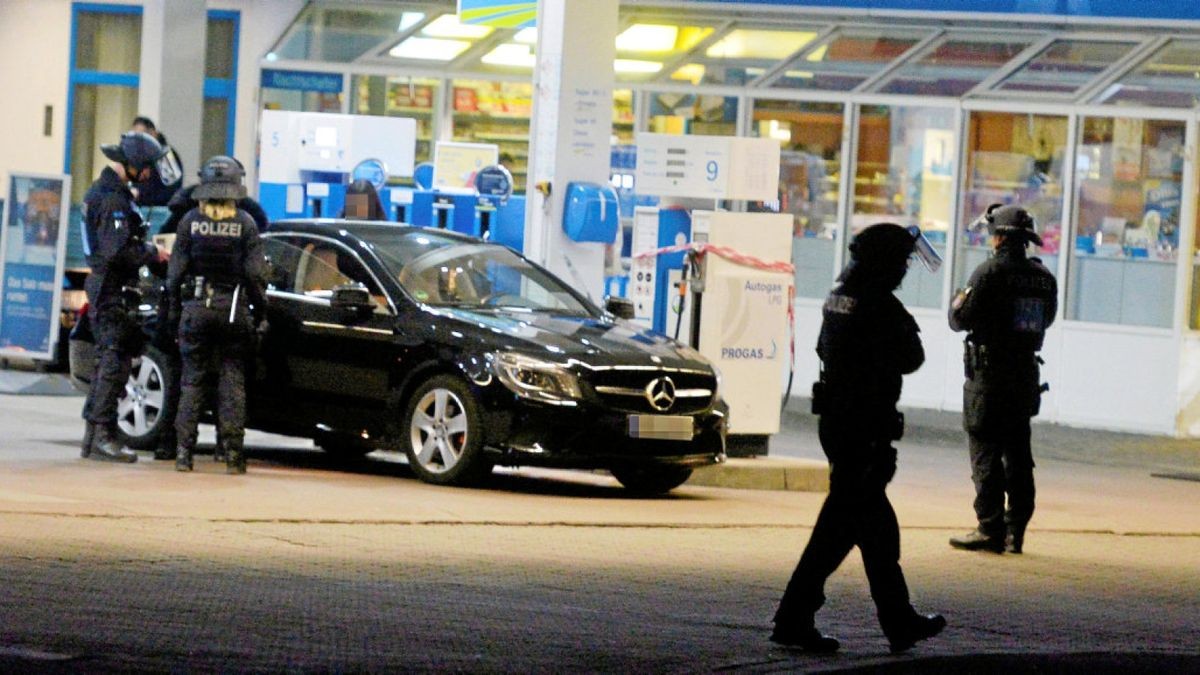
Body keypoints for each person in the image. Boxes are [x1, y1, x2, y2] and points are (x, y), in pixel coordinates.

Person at [772, 223, 946, 654]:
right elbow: (912, 357)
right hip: (862, 427)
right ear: (884, 263)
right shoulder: (876, 304)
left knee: (872, 528)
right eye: (902, 262)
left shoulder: (841, 296)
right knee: (842, 528)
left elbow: (823, 349)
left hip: (842, 423)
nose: (905, 270)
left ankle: (897, 619)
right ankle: (795, 616)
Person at [948, 205, 1057, 555]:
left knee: (986, 453)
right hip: (1024, 376)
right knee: (1019, 453)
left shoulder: (988, 272)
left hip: (989, 378)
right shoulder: (1043, 277)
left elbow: (959, 318)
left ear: (999, 237)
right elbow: (1048, 319)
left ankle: (990, 528)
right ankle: (1016, 530)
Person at [151, 157, 268, 462]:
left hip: (196, 308)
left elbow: (174, 275)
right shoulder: (246, 223)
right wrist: (261, 312)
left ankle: (183, 453)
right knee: (231, 382)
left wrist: (174, 311)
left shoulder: (189, 222)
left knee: (192, 381)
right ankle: (232, 454)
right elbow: (256, 276)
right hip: (233, 311)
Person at [80, 131, 171, 463]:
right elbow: (117, 251)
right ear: (131, 164)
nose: (147, 174)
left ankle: (96, 436)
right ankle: (102, 436)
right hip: (110, 288)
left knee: (112, 359)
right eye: (145, 167)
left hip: (109, 286)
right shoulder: (112, 199)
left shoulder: (111, 193)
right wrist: (152, 252)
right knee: (114, 363)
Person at [130, 116, 184, 207]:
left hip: (160, 210)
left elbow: (171, 190)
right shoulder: (138, 156)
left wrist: (141, 195)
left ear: (153, 134)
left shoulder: (165, 156)